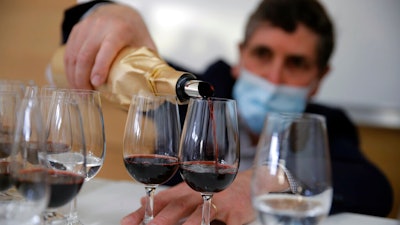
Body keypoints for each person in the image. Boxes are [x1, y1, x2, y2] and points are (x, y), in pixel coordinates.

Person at [59, 0, 394, 224]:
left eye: (296, 64)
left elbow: (376, 189)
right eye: (262, 54)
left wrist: (262, 182)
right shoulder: (198, 92)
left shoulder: (324, 124)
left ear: (319, 79)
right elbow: (95, 51)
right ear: (240, 56)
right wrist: (110, 13)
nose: (274, 78)